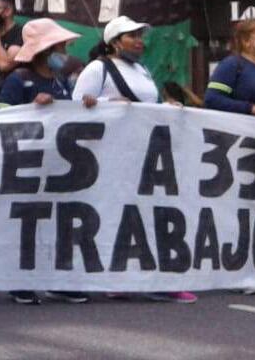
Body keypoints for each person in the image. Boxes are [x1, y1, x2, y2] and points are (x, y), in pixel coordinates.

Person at [72, 16, 198, 304]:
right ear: (114, 42)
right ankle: (120, 278)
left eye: (141, 35)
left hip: (142, 153)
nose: (140, 41)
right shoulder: (97, 69)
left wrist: (165, 108)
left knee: (147, 214)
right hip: (110, 155)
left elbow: (147, 107)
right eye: (133, 36)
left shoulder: (141, 70)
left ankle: (151, 277)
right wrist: (108, 105)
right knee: (118, 215)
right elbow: (75, 106)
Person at [0, 18, 93, 305]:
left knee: (58, 222)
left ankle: (57, 280)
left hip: (56, 166)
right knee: (27, 223)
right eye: (60, 46)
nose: (65, 51)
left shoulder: (59, 81)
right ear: (45, 49)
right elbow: (0, 117)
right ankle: (19, 280)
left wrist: (85, 106)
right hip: (26, 164)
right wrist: (31, 106)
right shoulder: (18, 79)